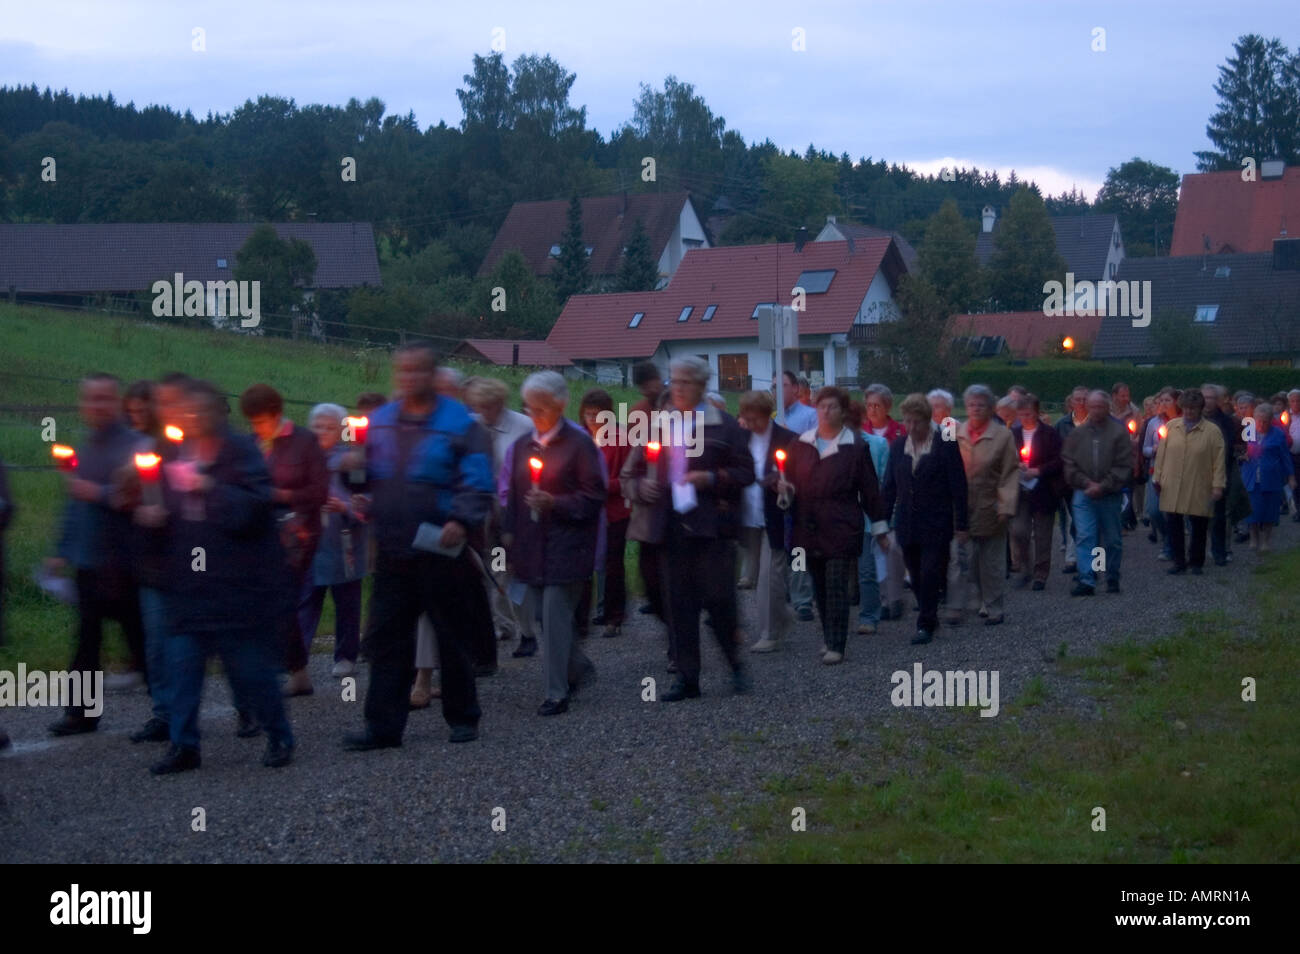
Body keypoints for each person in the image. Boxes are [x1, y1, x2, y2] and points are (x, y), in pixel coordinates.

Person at [140, 379, 295, 773]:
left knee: (251, 672)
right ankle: (184, 746)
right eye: (182, 411)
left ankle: (279, 734)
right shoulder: (173, 451)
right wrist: (152, 518)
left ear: (214, 411)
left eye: (196, 411)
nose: (188, 418)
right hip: (188, 585)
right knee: (182, 668)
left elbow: (258, 508)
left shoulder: (240, 451)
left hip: (235, 587)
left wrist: (209, 486)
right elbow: (163, 510)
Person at [343, 344, 492, 750]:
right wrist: (358, 480)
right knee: (388, 639)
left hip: (441, 549)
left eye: (416, 371)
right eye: (402, 371)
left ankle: (463, 718)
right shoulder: (382, 420)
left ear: (430, 375)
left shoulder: (458, 421)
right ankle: (383, 728)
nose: (408, 378)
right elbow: (368, 472)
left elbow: (477, 477)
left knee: (451, 635)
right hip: (393, 548)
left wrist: (461, 520)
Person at [627, 355, 754, 699]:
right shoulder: (657, 425)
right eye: (674, 380)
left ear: (701, 385)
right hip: (669, 526)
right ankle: (688, 678)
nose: (677, 388)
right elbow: (631, 473)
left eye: (685, 381)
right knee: (678, 604)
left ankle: (735, 665)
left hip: (712, 528)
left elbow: (746, 473)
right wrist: (641, 488)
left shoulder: (724, 426)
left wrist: (710, 478)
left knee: (719, 600)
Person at [47, 373, 147, 736]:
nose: (97, 406)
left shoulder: (137, 445)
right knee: (87, 640)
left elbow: (142, 499)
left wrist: (99, 493)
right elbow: (76, 502)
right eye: (90, 399)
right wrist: (61, 550)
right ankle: (81, 714)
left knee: (142, 640)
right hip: (90, 563)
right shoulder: (86, 447)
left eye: (104, 399)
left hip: (128, 563)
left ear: (116, 401)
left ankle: (171, 711)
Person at [503, 373, 605, 715]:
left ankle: (555, 693)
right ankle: (577, 667)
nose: (534, 414)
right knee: (544, 618)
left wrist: (555, 503)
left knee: (556, 615)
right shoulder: (521, 446)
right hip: (532, 547)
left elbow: (593, 498)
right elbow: (514, 497)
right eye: (529, 407)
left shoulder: (579, 445)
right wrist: (510, 537)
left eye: (541, 407)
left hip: (568, 546)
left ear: (560, 405)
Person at [781, 386, 888, 664]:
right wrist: (782, 489)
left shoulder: (855, 447)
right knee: (819, 586)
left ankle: (837, 644)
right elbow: (786, 480)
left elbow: (869, 490)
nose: (826, 412)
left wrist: (879, 527)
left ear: (842, 412)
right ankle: (828, 635)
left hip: (841, 524)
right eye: (821, 406)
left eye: (832, 407)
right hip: (808, 526)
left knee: (836, 583)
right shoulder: (800, 444)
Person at [240, 383, 329, 699]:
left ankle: (287, 667)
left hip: (298, 535)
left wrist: (281, 495)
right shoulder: (251, 443)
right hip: (260, 531)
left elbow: (319, 492)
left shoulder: (305, 442)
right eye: (252, 422)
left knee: (280, 597)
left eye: (261, 421)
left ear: (277, 414)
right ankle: (295, 668)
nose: (257, 428)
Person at [882, 394, 968, 644]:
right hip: (907, 522)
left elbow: (958, 485)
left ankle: (926, 623)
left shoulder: (945, 442)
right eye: (906, 422)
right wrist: (882, 523)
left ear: (927, 420)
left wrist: (961, 523)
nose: (910, 427)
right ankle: (929, 613)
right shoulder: (898, 446)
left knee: (931, 571)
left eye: (916, 422)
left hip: (937, 521)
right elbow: (889, 486)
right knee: (916, 574)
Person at [298, 404, 369, 678]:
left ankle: (346, 655)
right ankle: (298, 658)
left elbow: (364, 499)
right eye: (317, 426)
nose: (322, 432)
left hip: (345, 544)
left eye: (329, 427)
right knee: (305, 601)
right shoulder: (303, 459)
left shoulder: (351, 460)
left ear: (341, 431)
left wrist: (346, 508)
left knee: (347, 603)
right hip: (310, 544)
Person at [948, 385, 1019, 625]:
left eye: (981, 405)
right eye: (971, 404)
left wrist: (1006, 504)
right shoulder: (955, 432)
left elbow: (1010, 473)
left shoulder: (1003, 435)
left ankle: (994, 606)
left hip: (991, 504)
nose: (975, 409)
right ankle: (958, 605)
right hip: (961, 505)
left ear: (990, 408)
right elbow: (942, 463)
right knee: (960, 558)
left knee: (991, 561)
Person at [736, 391, 796, 652]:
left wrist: (787, 485)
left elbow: (798, 478)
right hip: (745, 515)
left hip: (774, 515)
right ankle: (780, 617)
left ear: (767, 415)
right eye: (746, 419)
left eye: (755, 419)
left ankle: (769, 633)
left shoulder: (787, 439)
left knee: (770, 576)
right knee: (755, 575)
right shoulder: (739, 438)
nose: (751, 424)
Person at [1063, 390, 1132, 596]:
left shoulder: (1118, 433)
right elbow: (1069, 462)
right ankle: (1088, 577)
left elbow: (1124, 464)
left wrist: (1103, 485)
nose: (1094, 411)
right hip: (1084, 493)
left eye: (1099, 407)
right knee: (1086, 536)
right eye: (1091, 407)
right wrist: (1085, 483)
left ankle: (1110, 574)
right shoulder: (1078, 434)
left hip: (1109, 494)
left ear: (1107, 407)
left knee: (1111, 538)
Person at [1151, 388, 1225, 574]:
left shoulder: (1212, 431)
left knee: (1199, 525)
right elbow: (1162, 453)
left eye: (1193, 408)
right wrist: (1157, 477)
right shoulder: (1171, 427)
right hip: (1172, 483)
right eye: (1185, 408)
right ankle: (1178, 561)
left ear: (1200, 409)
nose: (1189, 412)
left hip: (1199, 482)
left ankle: (1196, 562)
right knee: (1174, 524)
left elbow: (1218, 459)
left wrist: (1218, 485)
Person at [578, 387, 630, 638]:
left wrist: (601, 486)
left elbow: (628, 479)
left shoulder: (620, 439)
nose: (593, 420)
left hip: (614, 512)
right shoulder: (580, 439)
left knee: (612, 565)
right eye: (588, 414)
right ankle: (584, 616)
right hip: (585, 511)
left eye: (597, 414)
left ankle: (613, 615)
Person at [1010, 393, 1064, 590]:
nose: (1025, 418)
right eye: (1022, 415)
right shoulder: (1013, 434)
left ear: (1037, 413)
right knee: (1018, 531)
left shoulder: (1049, 434)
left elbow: (1059, 461)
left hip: (1043, 490)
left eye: (1029, 414)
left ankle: (1041, 573)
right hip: (1020, 490)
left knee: (1042, 534)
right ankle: (1025, 567)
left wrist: (1038, 470)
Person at [629, 361, 669, 620]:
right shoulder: (638, 411)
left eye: (650, 385)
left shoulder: (675, 403)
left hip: (672, 486)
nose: (647, 391)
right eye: (643, 388)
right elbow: (634, 452)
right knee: (648, 556)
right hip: (647, 488)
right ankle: (655, 597)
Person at [847, 398, 890, 635]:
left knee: (866, 570)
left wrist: (881, 519)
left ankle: (869, 615)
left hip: (866, 517)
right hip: (840, 519)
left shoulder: (877, 444)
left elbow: (883, 482)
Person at [779, 371, 818, 620]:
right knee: (784, 546)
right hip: (778, 490)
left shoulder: (809, 416)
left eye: (782, 385)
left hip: (803, 491)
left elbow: (815, 449)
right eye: (773, 386)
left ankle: (803, 597)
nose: (777, 391)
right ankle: (787, 591)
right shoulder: (773, 418)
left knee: (800, 547)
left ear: (794, 388)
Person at [1241, 401, 1296, 552]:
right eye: (1259, 420)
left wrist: (1291, 477)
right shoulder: (1248, 431)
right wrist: (1242, 455)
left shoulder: (1278, 434)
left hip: (1271, 478)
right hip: (1251, 477)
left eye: (1265, 421)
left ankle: (1266, 541)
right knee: (1252, 511)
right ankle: (1253, 538)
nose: (1262, 423)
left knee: (1270, 511)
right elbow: (1238, 450)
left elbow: (1285, 457)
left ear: (1271, 420)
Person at [1202, 384, 1240, 562]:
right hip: (1197, 473)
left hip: (1219, 471)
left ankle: (1219, 551)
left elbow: (1230, 446)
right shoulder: (1194, 418)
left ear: (1217, 401)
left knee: (1218, 515)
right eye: (1205, 397)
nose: (1207, 401)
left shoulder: (1227, 421)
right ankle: (1197, 552)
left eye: (1211, 398)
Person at [1141, 388, 1179, 559]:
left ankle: (1173, 545)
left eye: (1167, 400)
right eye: (1161, 400)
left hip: (1177, 471)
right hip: (1156, 470)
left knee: (1174, 511)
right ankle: (1166, 538)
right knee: (1154, 510)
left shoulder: (1182, 421)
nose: (1163, 404)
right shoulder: (1153, 423)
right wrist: (1154, 449)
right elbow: (1145, 449)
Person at [1055, 386, 1089, 573]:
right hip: (1070, 481)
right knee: (1074, 520)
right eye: (1078, 399)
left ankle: (1094, 565)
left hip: (1094, 479)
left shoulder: (1097, 422)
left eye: (1085, 399)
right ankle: (1073, 558)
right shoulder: (1062, 425)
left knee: (1092, 524)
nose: (1081, 403)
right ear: (1071, 402)